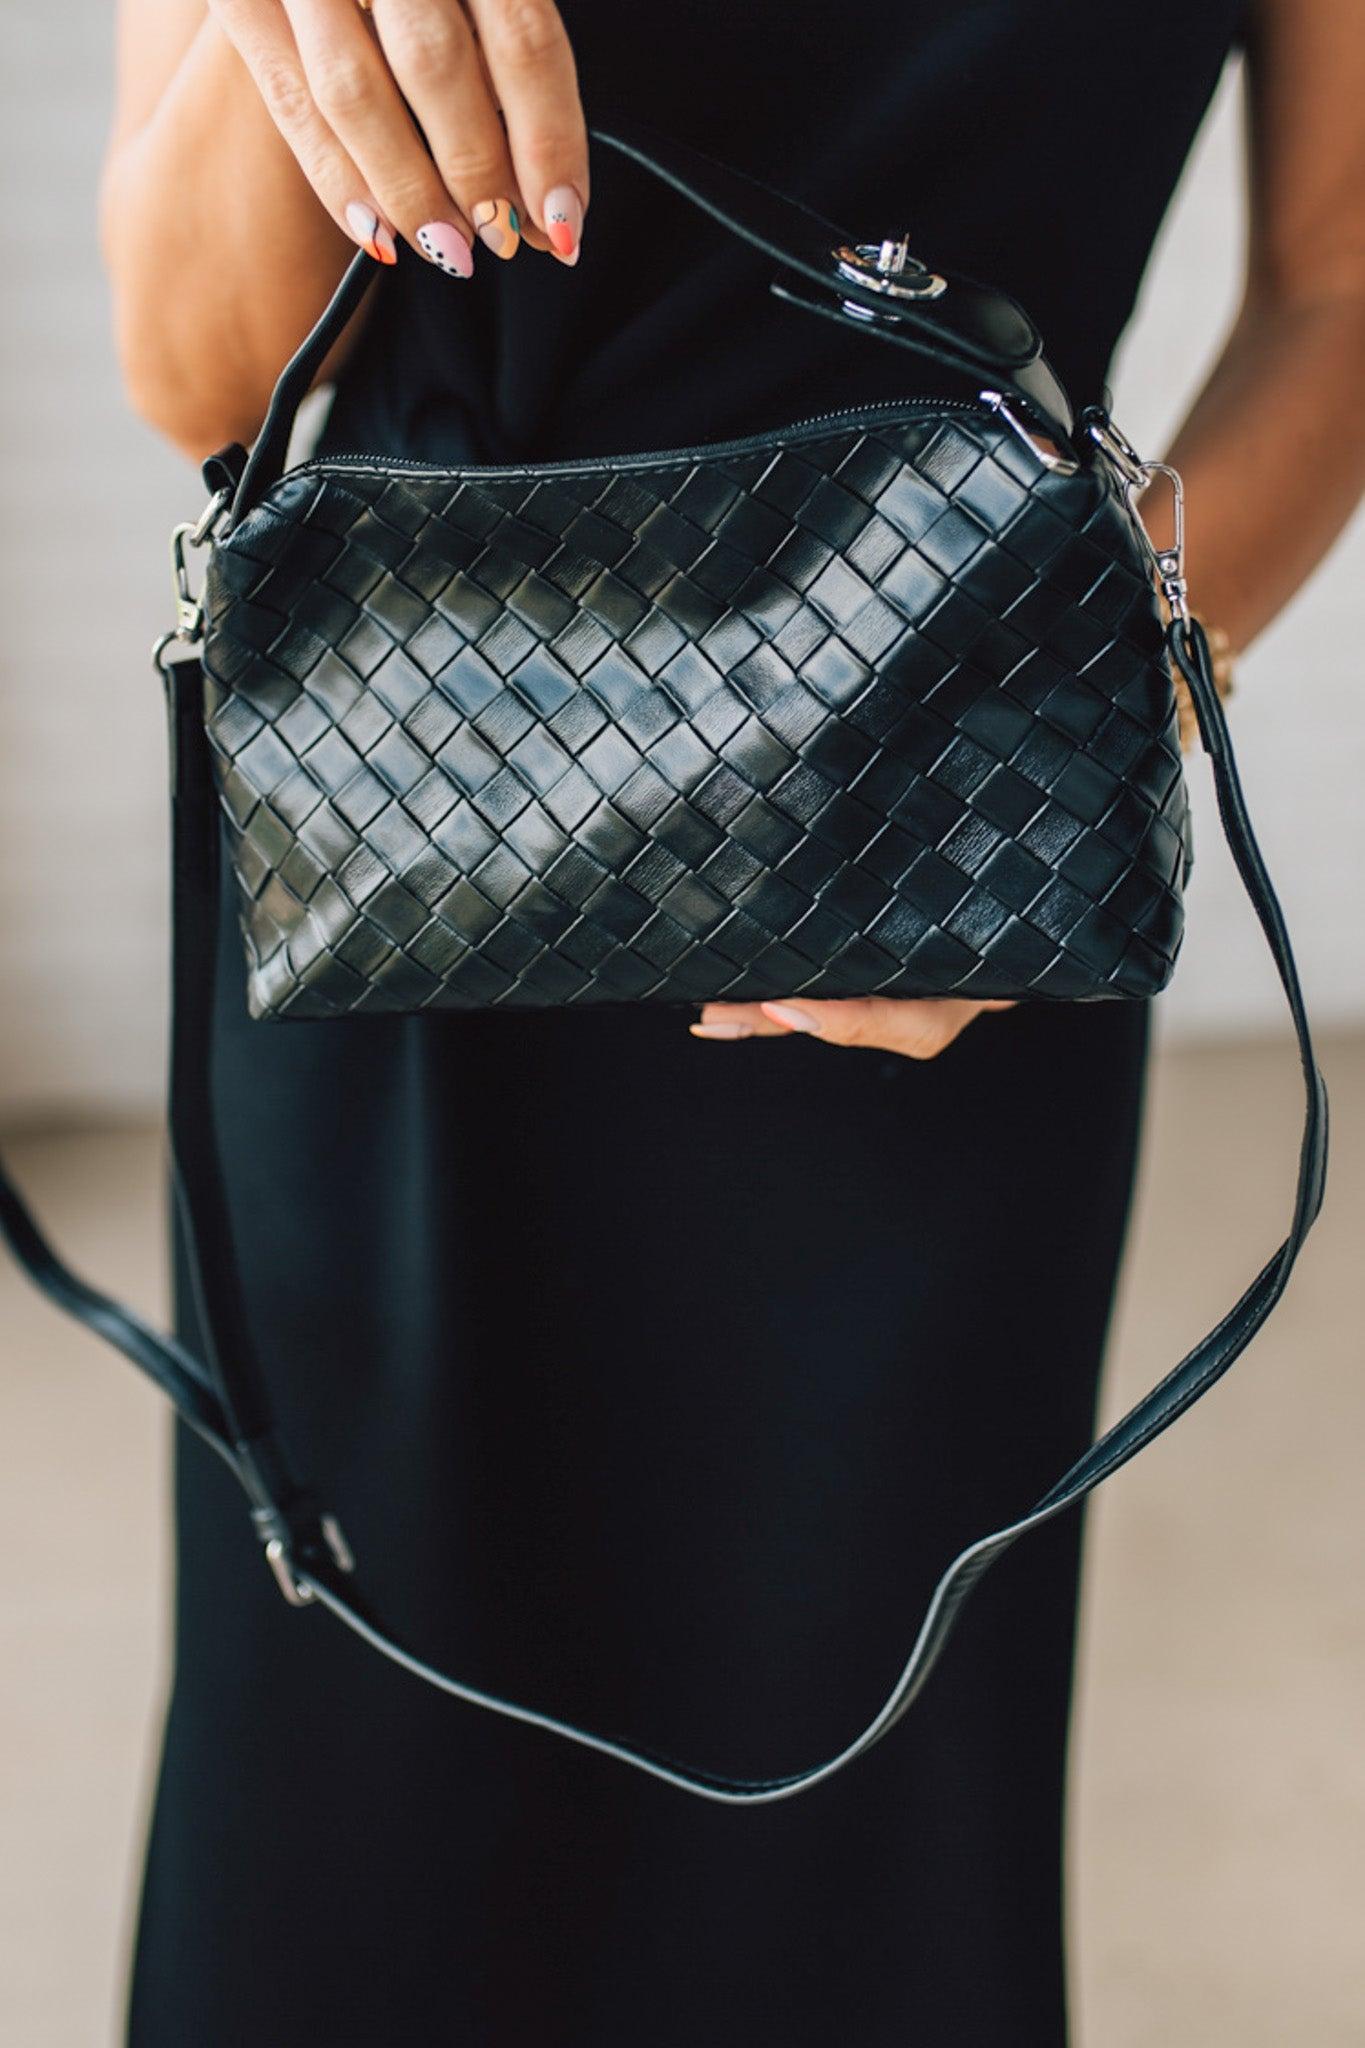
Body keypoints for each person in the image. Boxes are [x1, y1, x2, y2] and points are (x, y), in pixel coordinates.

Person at [102, 3, 1365, 2042]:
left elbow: (1338, 283)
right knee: (347, 1843)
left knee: (859, 1866)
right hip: (408, 842)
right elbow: (201, 374)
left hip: (950, 865)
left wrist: (1084, 711)